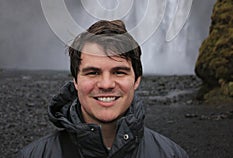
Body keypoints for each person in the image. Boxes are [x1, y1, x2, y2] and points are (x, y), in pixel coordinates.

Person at [17, 19, 189, 157]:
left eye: (119, 72)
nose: (106, 84)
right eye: (93, 72)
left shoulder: (172, 154)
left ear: (136, 80)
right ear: (75, 81)